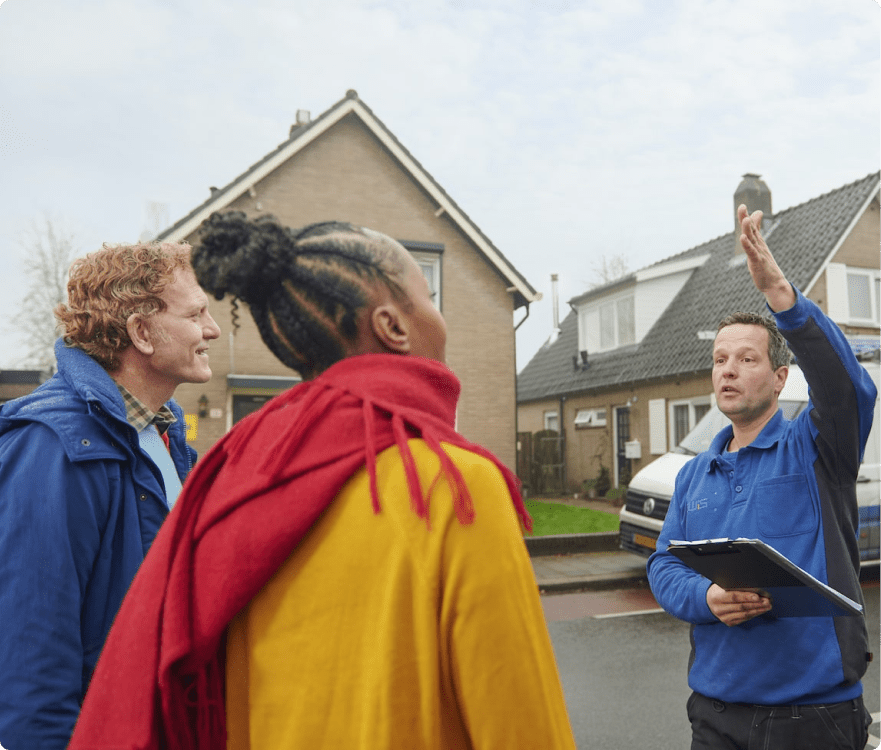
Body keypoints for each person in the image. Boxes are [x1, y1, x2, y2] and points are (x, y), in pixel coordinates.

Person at [69, 211, 576, 750]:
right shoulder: (453, 487)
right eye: (428, 294)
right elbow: (526, 729)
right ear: (394, 327)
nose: (439, 314)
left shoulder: (229, 482)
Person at [647, 205, 876, 749]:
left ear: (779, 378)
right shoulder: (693, 475)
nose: (727, 369)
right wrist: (705, 598)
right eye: (720, 359)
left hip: (811, 717)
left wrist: (782, 296)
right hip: (715, 714)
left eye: (746, 359)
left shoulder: (818, 447)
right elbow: (664, 565)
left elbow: (847, 389)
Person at [0, 241, 221, 749]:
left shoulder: (162, 438)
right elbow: (32, 653)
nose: (211, 329)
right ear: (142, 333)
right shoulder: (54, 446)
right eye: (196, 314)